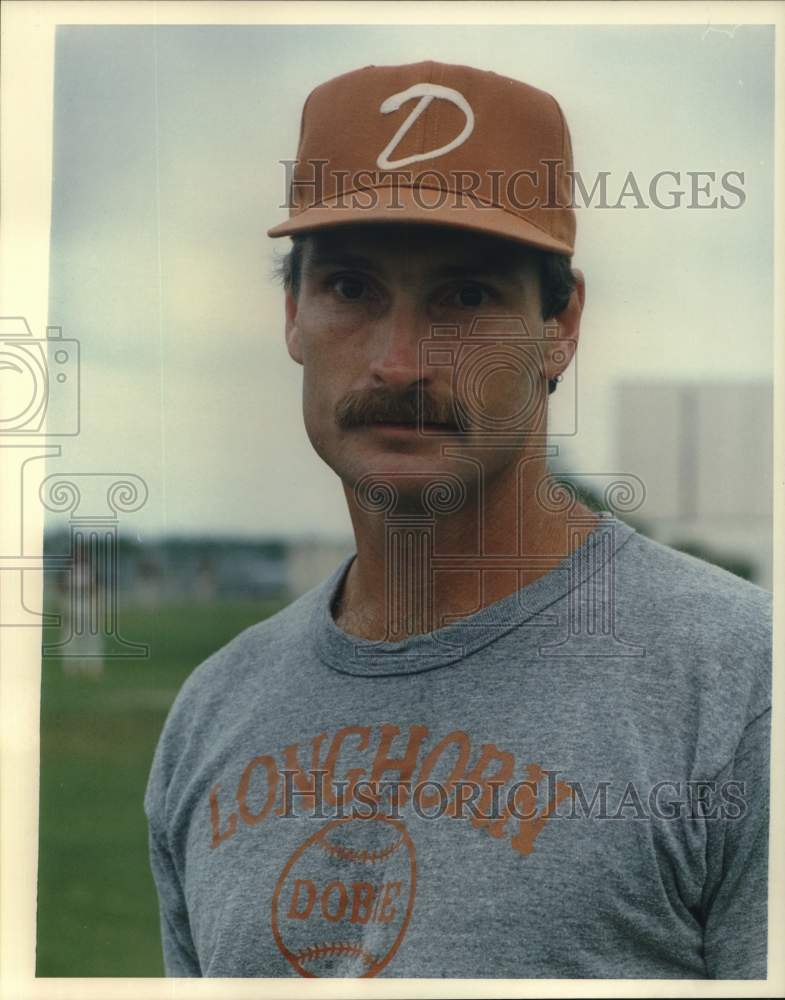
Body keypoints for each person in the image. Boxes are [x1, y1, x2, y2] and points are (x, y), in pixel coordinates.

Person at [145, 60, 771, 980]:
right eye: (352, 289)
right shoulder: (212, 713)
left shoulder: (740, 689)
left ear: (560, 326)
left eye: (466, 296)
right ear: (292, 314)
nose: (400, 362)